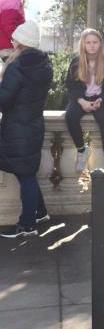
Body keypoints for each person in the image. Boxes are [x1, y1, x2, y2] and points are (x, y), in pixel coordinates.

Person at [0, 21, 53, 238]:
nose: (11, 43)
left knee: (26, 176)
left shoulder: (17, 67)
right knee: (27, 172)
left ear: (21, 43)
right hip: (33, 125)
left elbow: (4, 101)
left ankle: (27, 224)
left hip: (17, 128)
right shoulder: (44, 64)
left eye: (14, 40)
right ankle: (40, 212)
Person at [65, 29, 104, 177]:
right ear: (83, 44)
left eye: (95, 42)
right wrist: (81, 101)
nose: (91, 45)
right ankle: (82, 150)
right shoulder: (76, 62)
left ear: (100, 43)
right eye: (88, 42)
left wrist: (102, 99)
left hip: (100, 98)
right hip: (81, 98)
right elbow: (70, 85)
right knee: (70, 117)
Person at [0, 0, 28, 65]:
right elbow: (8, 24)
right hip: (9, 46)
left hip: (4, 43)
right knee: (13, 74)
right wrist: (17, 43)